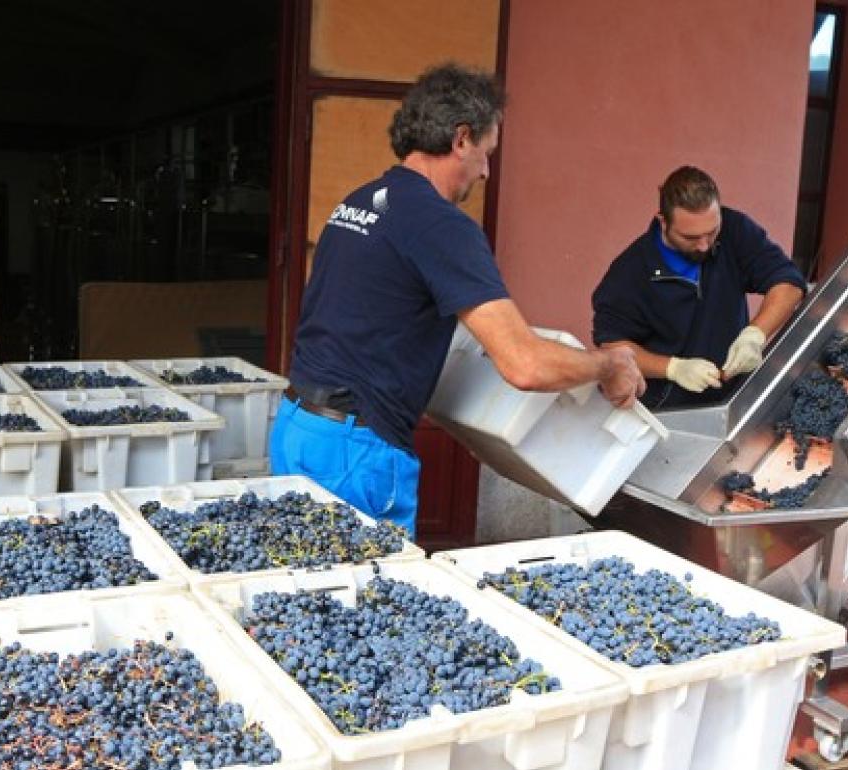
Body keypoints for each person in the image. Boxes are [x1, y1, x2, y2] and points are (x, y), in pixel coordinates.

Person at [271, 63, 645, 539]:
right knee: (368, 603)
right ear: (461, 139)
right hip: (353, 453)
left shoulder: (361, 202)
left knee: (303, 597)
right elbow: (525, 366)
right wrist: (608, 365)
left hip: (298, 428)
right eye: (487, 153)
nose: (487, 171)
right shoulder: (441, 225)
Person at [591, 166, 806, 411]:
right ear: (663, 222)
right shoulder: (630, 272)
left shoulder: (735, 230)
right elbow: (613, 346)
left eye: (711, 232)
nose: (704, 246)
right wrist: (672, 368)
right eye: (690, 238)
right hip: (665, 410)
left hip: (731, 399)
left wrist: (755, 335)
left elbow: (788, 282)